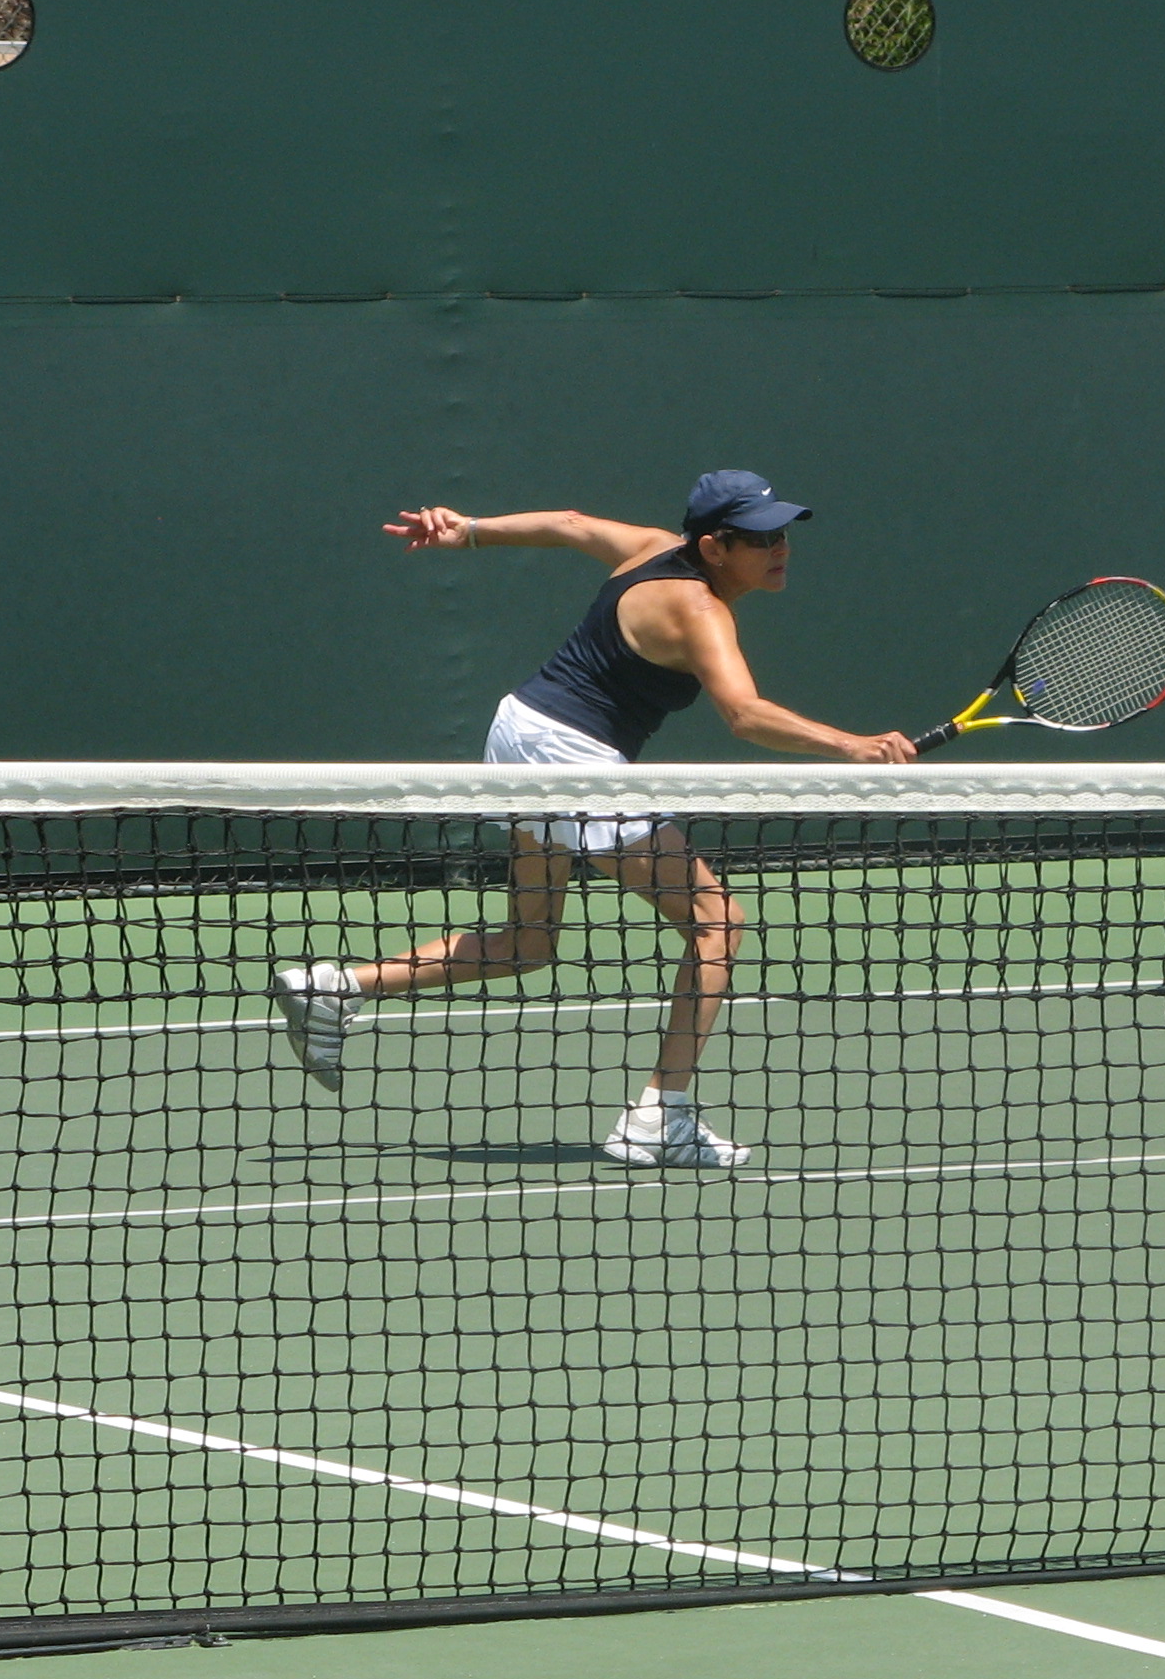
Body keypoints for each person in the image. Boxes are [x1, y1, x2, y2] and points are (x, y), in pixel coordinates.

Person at [271, 470, 915, 1166]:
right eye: (760, 538)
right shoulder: (700, 610)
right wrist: (851, 745)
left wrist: (472, 532)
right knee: (717, 919)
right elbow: (744, 714)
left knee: (529, 940)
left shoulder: (649, 547)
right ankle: (659, 1115)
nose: (780, 547)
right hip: (571, 753)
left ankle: (336, 985)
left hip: (519, 727)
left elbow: (573, 523)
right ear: (715, 546)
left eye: (783, 532)